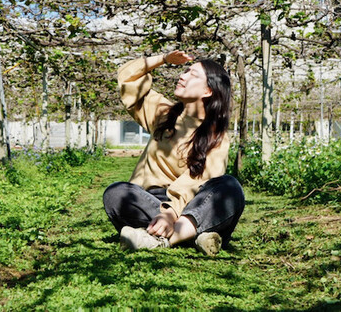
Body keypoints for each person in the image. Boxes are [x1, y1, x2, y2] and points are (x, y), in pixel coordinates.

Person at [103, 50, 245, 255]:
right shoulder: (163, 112)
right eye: (185, 71)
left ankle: (161, 239)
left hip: (192, 203)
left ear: (208, 91)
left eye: (192, 74)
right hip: (150, 201)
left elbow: (199, 179)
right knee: (116, 193)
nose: (182, 76)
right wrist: (163, 59)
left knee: (230, 187)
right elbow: (127, 77)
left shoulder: (216, 136)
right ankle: (194, 235)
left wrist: (171, 213)